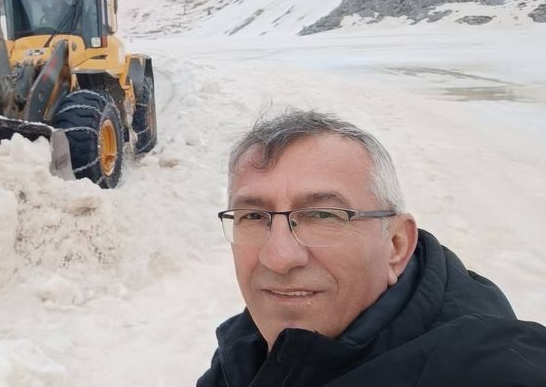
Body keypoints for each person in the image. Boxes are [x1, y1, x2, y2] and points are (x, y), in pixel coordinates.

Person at [198, 109, 546, 387]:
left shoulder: (487, 367)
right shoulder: (243, 349)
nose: (278, 257)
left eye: (322, 215)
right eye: (253, 216)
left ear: (396, 245)